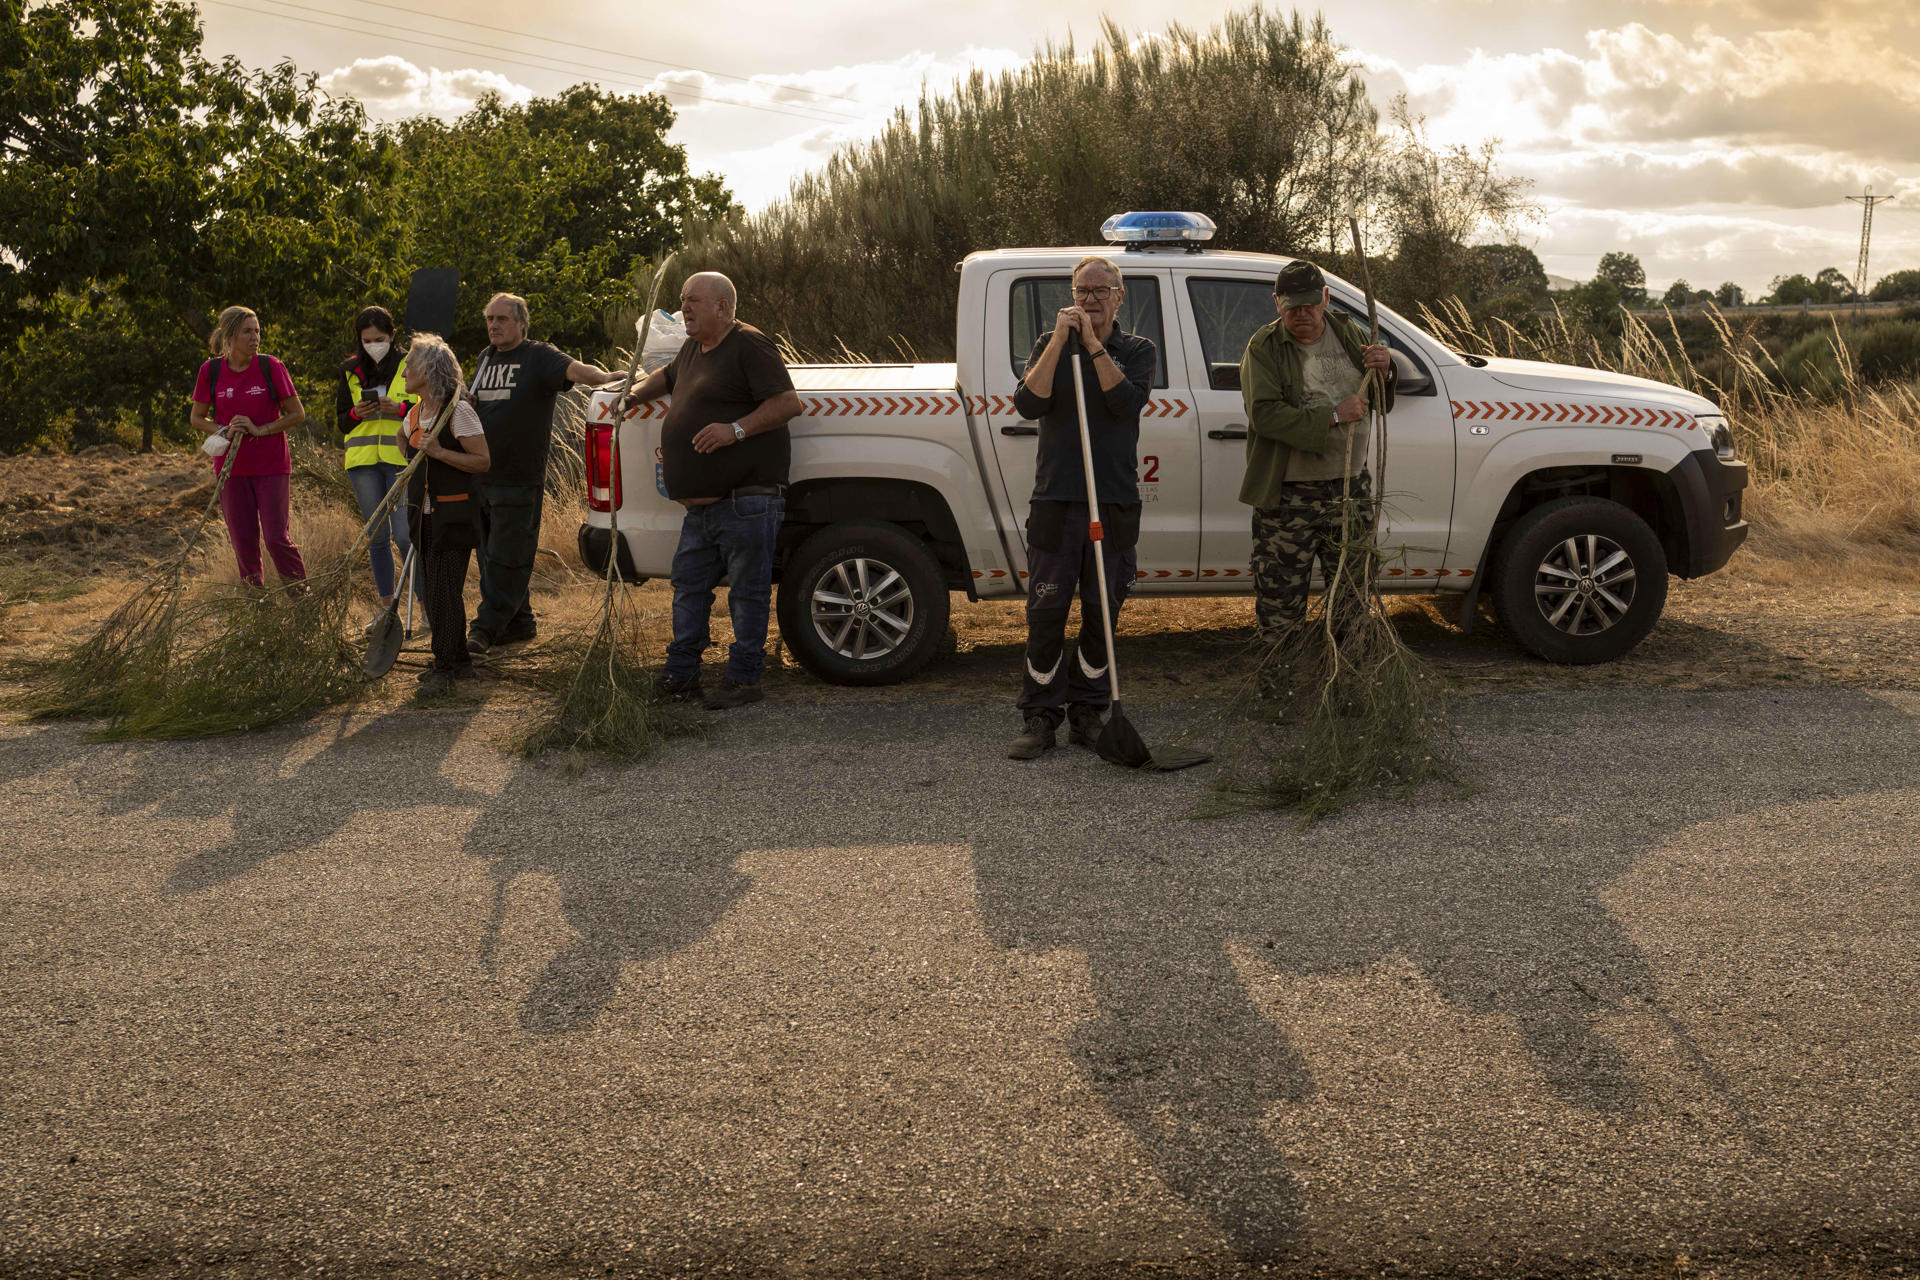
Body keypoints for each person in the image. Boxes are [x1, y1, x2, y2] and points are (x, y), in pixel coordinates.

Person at [623, 272, 803, 710]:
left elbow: (787, 403)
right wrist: (630, 396)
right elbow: (666, 377)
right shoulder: (693, 348)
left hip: (747, 500)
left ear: (723, 307)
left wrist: (734, 430)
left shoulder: (749, 345)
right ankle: (681, 677)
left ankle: (743, 680)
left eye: (694, 301)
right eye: (683, 300)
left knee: (747, 592)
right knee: (688, 588)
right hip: (701, 509)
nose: (684, 308)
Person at [1005, 255, 1155, 760]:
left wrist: (1092, 347)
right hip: (1055, 499)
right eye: (1080, 291)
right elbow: (1029, 404)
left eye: (1099, 290)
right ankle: (1040, 715)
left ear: (1119, 295)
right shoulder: (1047, 347)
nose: (1088, 300)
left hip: (1111, 499)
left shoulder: (1136, 350)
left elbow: (1126, 403)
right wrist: (1058, 344)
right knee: (1046, 611)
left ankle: (1087, 712)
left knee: (1100, 611)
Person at [1237, 258, 1396, 655]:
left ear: (1325, 298)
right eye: (1292, 306)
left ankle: (1347, 695)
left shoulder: (1347, 330)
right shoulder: (1264, 346)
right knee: (1280, 605)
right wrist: (1333, 415)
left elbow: (1377, 396)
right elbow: (1265, 414)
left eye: (1310, 304)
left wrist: (1385, 368)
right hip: (1289, 496)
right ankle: (1280, 697)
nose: (1302, 313)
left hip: (1349, 489)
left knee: (1352, 600)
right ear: (1277, 303)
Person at [466, 292, 620, 655]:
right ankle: (519, 623)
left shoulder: (539, 356)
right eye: (490, 319)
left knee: (508, 557)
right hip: (481, 474)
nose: (494, 325)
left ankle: (484, 630)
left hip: (518, 477)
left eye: (502, 319)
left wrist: (607, 377)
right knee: (489, 555)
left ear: (521, 323)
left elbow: (578, 372)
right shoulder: (485, 358)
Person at [398, 334, 491, 695]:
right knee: (436, 590)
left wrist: (438, 452)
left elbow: (482, 461)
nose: (404, 369)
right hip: (422, 518)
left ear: (427, 369)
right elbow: (403, 438)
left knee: (443, 593)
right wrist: (413, 452)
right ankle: (457, 662)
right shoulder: (416, 412)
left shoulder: (459, 412)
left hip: (453, 515)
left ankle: (444, 666)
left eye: (410, 363)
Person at [189, 306, 308, 587]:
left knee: (276, 538)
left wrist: (260, 429)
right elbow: (196, 418)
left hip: (272, 466)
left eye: (257, 331)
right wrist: (223, 430)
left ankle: (303, 600)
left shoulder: (271, 366)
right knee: (243, 544)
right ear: (230, 335)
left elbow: (297, 414)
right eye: (247, 331)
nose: (255, 337)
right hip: (232, 469)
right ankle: (257, 610)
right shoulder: (211, 370)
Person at [333, 305, 421, 624]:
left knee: (405, 537)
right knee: (378, 538)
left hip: (401, 461)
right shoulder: (349, 370)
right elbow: (342, 421)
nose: (373, 344)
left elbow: (428, 407)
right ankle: (387, 609)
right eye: (367, 340)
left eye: (379, 338)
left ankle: (425, 607)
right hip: (363, 464)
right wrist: (358, 413)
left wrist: (399, 408)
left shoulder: (410, 362)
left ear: (392, 335)